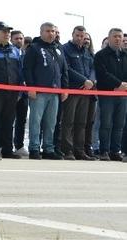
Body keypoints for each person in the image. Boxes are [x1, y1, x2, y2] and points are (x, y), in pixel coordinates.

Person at [23, 22, 69, 159]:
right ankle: (34, 148)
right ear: (41, 32)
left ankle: (48, 149)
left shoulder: (58, 49)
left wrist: (64, 89)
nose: (51, 34)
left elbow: (64, 70)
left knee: (51, 122)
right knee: (35, 122)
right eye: (48, 31)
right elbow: (27, 69)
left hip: (55, 92)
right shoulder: (34, 48)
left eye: (53, 31)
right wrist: (31, 86)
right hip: (38, 92)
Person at [0, 22, 24, 158]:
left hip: (12, 92)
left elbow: (19, 71)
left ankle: (7, 149)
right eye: (4, 31)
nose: (7, 34)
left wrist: (19, 90)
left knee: (8, 120)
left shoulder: (15, 50)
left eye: (8, 31)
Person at [60, 26, 96, 160]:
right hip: (72, 90)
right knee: (68, 121)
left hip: (86, 91)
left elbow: (93, 68)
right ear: (72, 35)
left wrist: (91, 81)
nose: (80, 38)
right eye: (78, 35)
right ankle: (67, 150)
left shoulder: (87, 52)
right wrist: (84, 80)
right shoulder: (65, 49)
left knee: (82, 123)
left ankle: (79, 151)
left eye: (82, 36)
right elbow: (66, 68)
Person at [93, 28, 127, 161]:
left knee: (119, 124)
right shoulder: (101, 55)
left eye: (120, 36)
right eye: (115, 36)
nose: (118, 39)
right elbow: (102, 74)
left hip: (123, 95)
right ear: (109, 38)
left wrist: (123, 86)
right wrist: (118, 84)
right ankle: (104, 151)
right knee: (106, 124)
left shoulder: (125, 55)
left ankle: (115, 151)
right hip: (107, 94)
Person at [10, 30, 29, 156]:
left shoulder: (26, 55)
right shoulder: (10, 53)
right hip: (11, 92)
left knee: (21, 120)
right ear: (11, 40)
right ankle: (5, 144)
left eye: (21, 38)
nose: (19, 40)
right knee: (8, 120)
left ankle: (19, 145)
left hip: (24, 93)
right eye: (16, 38)